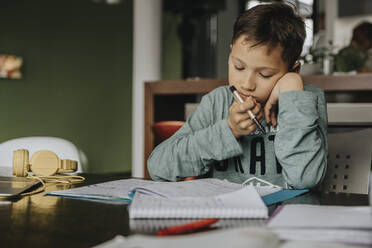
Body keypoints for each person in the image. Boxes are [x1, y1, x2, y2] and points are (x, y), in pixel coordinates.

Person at [147, 2, 328, 189]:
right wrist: (228, 130)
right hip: (225, 214)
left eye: (265, 74)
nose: (246, 84)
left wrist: (292, 87)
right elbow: (158, 168)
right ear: (230, 52)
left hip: (284, 214)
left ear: (293, 70)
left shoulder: (305, 99)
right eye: (238, 67)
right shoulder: (216, 103)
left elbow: (305, 178)